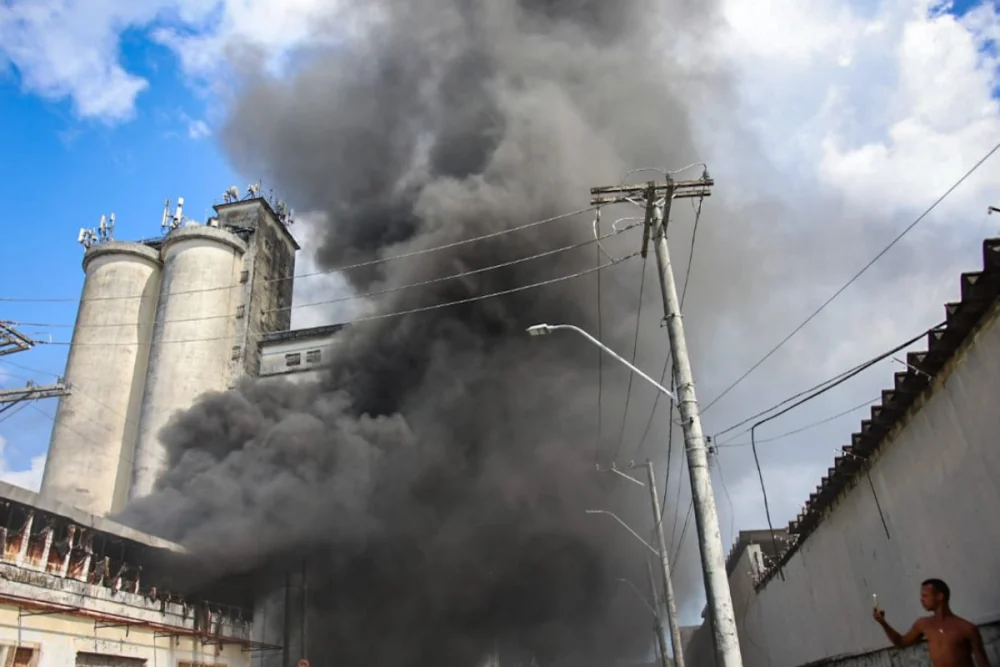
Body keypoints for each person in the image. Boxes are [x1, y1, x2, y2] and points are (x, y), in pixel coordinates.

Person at [873, 579, 992, 667]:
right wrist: (883, 623)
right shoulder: (923, 624)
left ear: (940, 596)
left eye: (925, 596)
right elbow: (901, 642)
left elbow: (983, 663)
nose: (921, 600)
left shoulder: (966, 628)